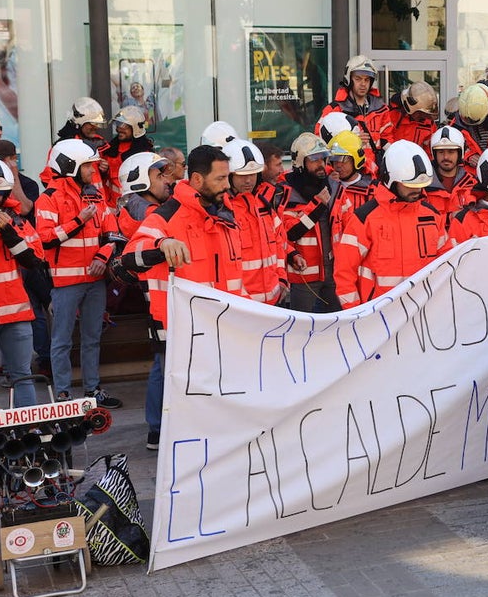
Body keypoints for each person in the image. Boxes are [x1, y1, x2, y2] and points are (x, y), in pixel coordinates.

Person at [120, 145, 244, 450]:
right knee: (172, 384)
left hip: (221, 324)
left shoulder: (226, 211)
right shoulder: (167, 214)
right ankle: (162, 434)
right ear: (198, 180)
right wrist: (161, 243)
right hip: (178, 328)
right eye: (221, 178)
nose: (227, 185)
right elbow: (128, 258)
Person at [35, 139, 124, 408]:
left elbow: (113, 233)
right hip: (65, 283)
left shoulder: (95, 195)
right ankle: (63, 393)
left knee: (92, 338)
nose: (92, 170)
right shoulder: (48, 199)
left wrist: (102, 256)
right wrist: (79, 221)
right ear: (71, 166)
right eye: (87, 165)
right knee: (61, 340)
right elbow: (45, 239)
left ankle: (92, 390)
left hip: (95, 281)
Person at [333, 140, 452, 307]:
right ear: (391, 180)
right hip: (378, 314)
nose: (417, 190)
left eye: (421, 185)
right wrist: (356, 315)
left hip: (424, 310)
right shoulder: (365, 218)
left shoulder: (432, 216)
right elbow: (344, 271)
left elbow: (446, 264)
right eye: (410, 185)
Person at [0, 160, 47, 407]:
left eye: (1, 193)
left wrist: (8, 234)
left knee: (23, 377)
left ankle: (29, 434)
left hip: (15, 314)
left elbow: (35, 260)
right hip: (14, 314)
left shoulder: (15, 221)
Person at [224, 139, 288, 306]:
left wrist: (281, 279)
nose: (248, 181)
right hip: (243, 306)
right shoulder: (224, 212)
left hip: (273, 299)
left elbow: (279, 245)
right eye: (242, 175)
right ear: (230, 176)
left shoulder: (264, 206)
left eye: (252, 175)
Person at [282, 133, 337, 313]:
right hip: (304, 273)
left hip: (334, 272)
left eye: (323, 158)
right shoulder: (286, 191)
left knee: (337, 322)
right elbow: (291, 232)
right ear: (299, 162)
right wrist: (317, 205)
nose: (320, 163)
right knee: (301, 329)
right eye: (313, 159)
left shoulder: (333, 184)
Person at [99, 105, 155, 206]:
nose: (119, 128)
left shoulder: (145, 154)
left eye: (124, 125)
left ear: (135, 128)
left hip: (136, 208)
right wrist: (103, 171)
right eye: (118, 123)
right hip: (111, 207)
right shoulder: (109, 149)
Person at [367, 80, 438, 155]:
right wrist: (394, 154)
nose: (422, 116)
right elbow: (384, 138)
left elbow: (430, 150)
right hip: (390, 158)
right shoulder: (391, 115)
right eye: (420, 113)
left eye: (424, 114)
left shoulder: (429, 124)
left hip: (415, 162)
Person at [425, 125, 475, 216]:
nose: (446, 157)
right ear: (434, 154)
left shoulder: (473, 184)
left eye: (451, 152)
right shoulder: (423, 185)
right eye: (441, 152)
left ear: (460, 153)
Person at [323, 55, 385, 121]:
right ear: (349, 80)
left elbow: (390, 131)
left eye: (366, 80)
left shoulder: (381, 109)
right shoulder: (334, 110)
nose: (363, 84)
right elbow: (319, 131)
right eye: (358, 79)